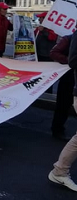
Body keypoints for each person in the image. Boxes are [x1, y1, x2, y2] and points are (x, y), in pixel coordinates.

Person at [49, 31, 77, 191]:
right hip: (68, 79)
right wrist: (66, 62)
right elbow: (58, 54)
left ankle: (60, 170)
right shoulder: (71, 38)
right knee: (62, 106)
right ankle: (59, 171)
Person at [49, 35, 75, 140]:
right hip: (69, 77)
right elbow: (53, 53)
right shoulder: (69, 39)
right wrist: (69, 60)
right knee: (63, 104)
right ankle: (57, 130)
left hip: (72, 75)